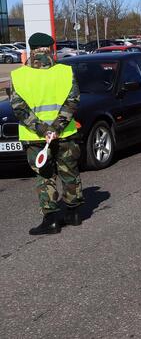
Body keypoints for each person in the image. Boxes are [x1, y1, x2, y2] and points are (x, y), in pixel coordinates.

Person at [10, 32, 84, 235]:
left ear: (31, 50)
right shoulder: (65, 71)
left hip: (35, 138)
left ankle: (51, 220)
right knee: (69, 171)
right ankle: (74, 213)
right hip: (65, 134)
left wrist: (43, 130)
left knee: (45, 177)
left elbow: (19, 108)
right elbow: (73, 100)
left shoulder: (19, 75)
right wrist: (57, 127)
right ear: (51, 49)